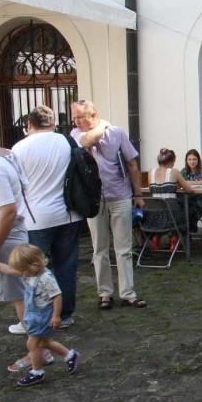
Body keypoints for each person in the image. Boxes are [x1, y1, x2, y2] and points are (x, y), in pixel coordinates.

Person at [10, 106, 83, 331]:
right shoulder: (68, 142)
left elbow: (15, 186)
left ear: (29, 124)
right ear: (53, 123)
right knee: (66, 266)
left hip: (35, 218)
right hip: (69, 214)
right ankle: (66, 315)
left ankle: (34, 317)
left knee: (31, 269)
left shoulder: (19, 148)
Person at [71, 100, 146, 310]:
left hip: (120, 195)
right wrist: (102, 125)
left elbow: (132, 163)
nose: (75, 121)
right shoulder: (76, 134)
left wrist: (138, 193)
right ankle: (104, 293)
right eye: (74, 117)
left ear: (92, 114)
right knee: (99, 249)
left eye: (79, 117)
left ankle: (128, 293)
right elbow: (86, 141)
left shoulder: (117, 132)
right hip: (94, 199)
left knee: (124, 249)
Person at [0, 244, 81, 387]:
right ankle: (70, 355)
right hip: (34, 314)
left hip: (43, 315)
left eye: (23, 269)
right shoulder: (29, 272)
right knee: (43, 342)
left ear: (33, 264)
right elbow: (10, 271)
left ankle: (36, 372)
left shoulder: (46, 277)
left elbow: (57, 296)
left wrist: (56, 315)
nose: (22, 273)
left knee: (32, 343)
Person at [0, 127, 28, 333]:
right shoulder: (6, 157)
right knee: (19, 290)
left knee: (19, 291)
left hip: (2, 231)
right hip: (9, 229)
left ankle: (40, 348)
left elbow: (8, 210)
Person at [147, 148, 195, 251]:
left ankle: (156, 238)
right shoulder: (174, 172)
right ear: (170, 162)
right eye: (173, 162)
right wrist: (175, 186)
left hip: (153, 215)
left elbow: (151, 188)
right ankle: (174, 238)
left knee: (163, 218)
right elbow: (189, 189)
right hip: (171, 213)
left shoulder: (151, 172)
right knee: (185, 214)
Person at [179, 148, 202, 233]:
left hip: (200, 203)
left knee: (187, 212)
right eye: (189, 159)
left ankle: (186, 234)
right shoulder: (183, 171)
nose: (192, 162)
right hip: (186, 201)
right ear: (186, 161)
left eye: (194, 159)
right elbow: (178, 183)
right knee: (178, 211)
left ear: (198, 160)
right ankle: (180, 235)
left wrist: (185, 182)